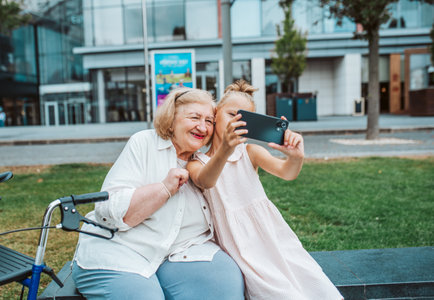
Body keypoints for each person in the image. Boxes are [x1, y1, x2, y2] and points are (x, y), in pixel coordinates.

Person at [72, 88, 244, 300]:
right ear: (171, 120)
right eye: (194, 117)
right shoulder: (144, 143)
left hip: (179, 253)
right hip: (120, 251)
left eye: (209, 121)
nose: (203, 126)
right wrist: (163, 189)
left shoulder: (202, 164)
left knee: (225, 283)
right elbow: (108, 211)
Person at [187, 80, 344, 300]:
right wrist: (224, 149)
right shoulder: (197, 162)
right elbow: (206, 181)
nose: (237, 121)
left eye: (245, 118)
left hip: (271, 234)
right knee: (279, 293)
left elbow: (287, 173)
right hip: (238, 243)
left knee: (313, 282)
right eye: (232, 114)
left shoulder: (250, 152)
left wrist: (295, 157)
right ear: (215, 115)